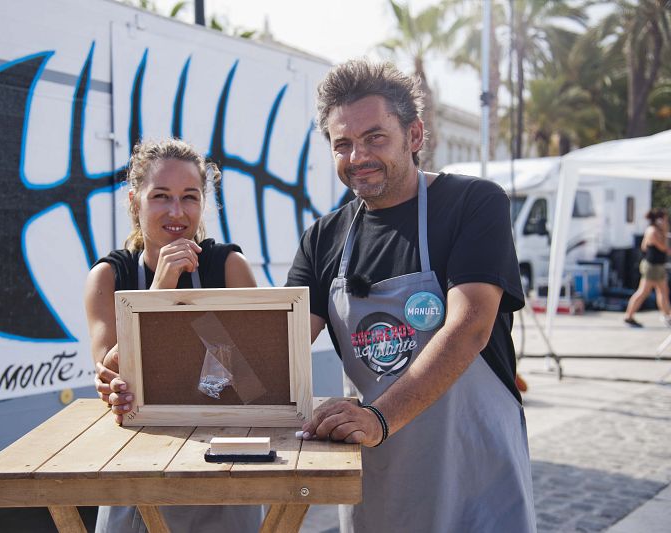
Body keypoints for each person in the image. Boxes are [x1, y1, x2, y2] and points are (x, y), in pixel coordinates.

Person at [286, 59, 536, 532]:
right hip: (382, 482)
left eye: (375, 137)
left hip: (476, 473)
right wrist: (149, 364)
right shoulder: (324, 239)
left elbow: (469, 327)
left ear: (415, 135)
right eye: (343, 144)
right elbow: (276, 344)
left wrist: (379, 418)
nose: (358, 156)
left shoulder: (474, 204)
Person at [84, 138, 260, 533]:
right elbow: (110, 377)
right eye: (161, 196)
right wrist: (161, 289)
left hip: (225, 461)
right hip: (138, 465)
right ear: (135, 201)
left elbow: (253, 381)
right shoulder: (109, 277)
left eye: (189, 197)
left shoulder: (229, 266)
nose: (177, 212)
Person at [624, 208, 671, 327]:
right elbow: (664, 248)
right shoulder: (653, 231)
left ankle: (667, 315)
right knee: (643, 292)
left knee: (663, 292)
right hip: (652, 266)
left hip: (658, 266)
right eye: (664, 220)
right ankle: (629, 316)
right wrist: (665, 233)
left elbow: (644, 246)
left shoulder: (656, 231)